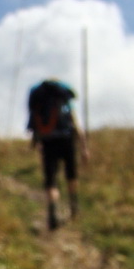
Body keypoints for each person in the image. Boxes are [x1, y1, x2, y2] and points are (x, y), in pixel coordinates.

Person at [26, 78, 90, 230]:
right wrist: (84, 148)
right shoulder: (64, 99)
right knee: (71, 175)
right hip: (67, 140)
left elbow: (35, 127)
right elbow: (76, 124)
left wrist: (36, 143)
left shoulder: (38, 100)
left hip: (48, 143)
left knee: (51, 181)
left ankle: (52, 212)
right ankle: (74, 206)